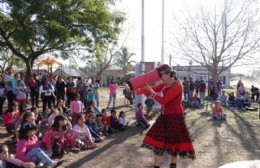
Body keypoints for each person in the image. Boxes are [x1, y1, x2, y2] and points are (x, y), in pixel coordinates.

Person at [124, 64, 195, 168]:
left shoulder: (177, 86)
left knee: (173, 145)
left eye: (161, 76)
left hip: (175, 118)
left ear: (169, 74)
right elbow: (152, 89)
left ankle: (173, 165)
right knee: (157, 142)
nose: (160, 78)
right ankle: (156, 166)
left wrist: (151, 91)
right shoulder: (165, 84)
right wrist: (134, 90)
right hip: (164, 117)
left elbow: (163, 101)